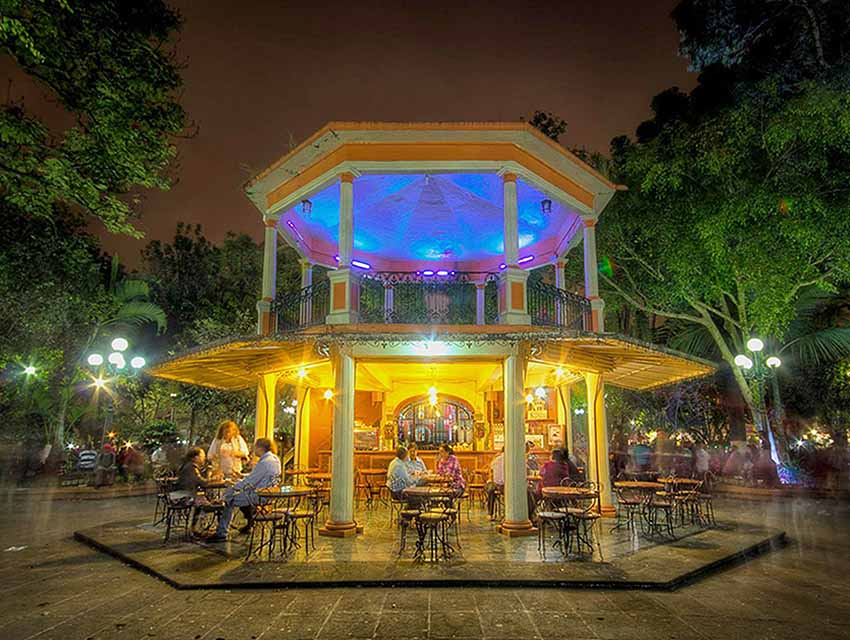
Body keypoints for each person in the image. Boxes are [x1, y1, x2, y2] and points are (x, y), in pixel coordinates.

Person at [208, 438, 281, 542]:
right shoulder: (275, 459)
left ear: (260, 448)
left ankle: (221, 532)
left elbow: (250, 482)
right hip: (269, 494)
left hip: (260, 495)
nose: (253, 450)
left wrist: (234, 485)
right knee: (233, 494)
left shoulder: (265, 462)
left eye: (255, 447)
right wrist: (242, 476)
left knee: (229, 498)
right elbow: (258, 477)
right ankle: (247, 523)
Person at [485, 447, 505, 520]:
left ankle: (490, 513)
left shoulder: (496, 460)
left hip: (496, 484)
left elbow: (491, 472)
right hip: (506, 487)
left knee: (491, 490)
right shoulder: (512, 460)